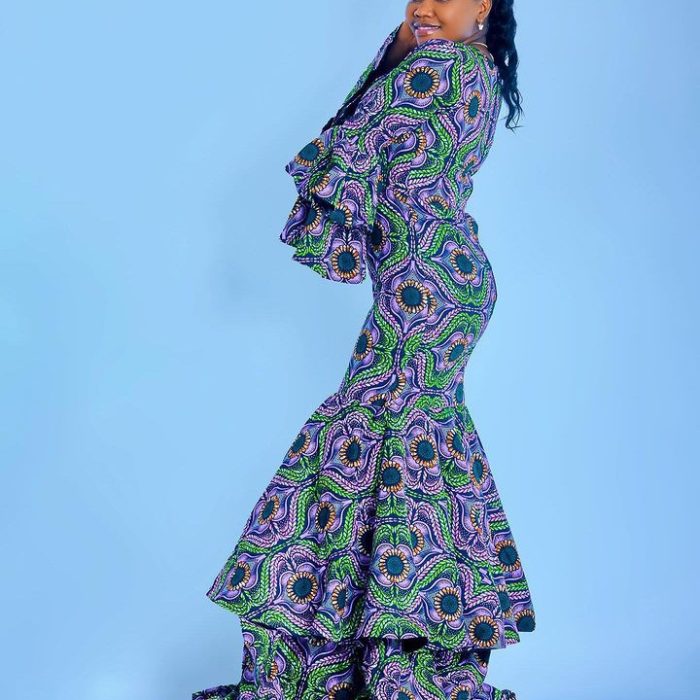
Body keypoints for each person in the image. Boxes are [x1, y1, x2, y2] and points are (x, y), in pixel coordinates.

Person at [193, 1, 534, 698]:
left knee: (374, 446)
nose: (423, 5)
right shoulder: (479, 67)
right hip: (445, 278)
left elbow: (345, 141)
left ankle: (365, 661)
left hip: (425, 287)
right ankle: (391, 649)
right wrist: (415, 29)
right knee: (401, 449)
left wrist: (410, 40)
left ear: (485, 3)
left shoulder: (442, 68)